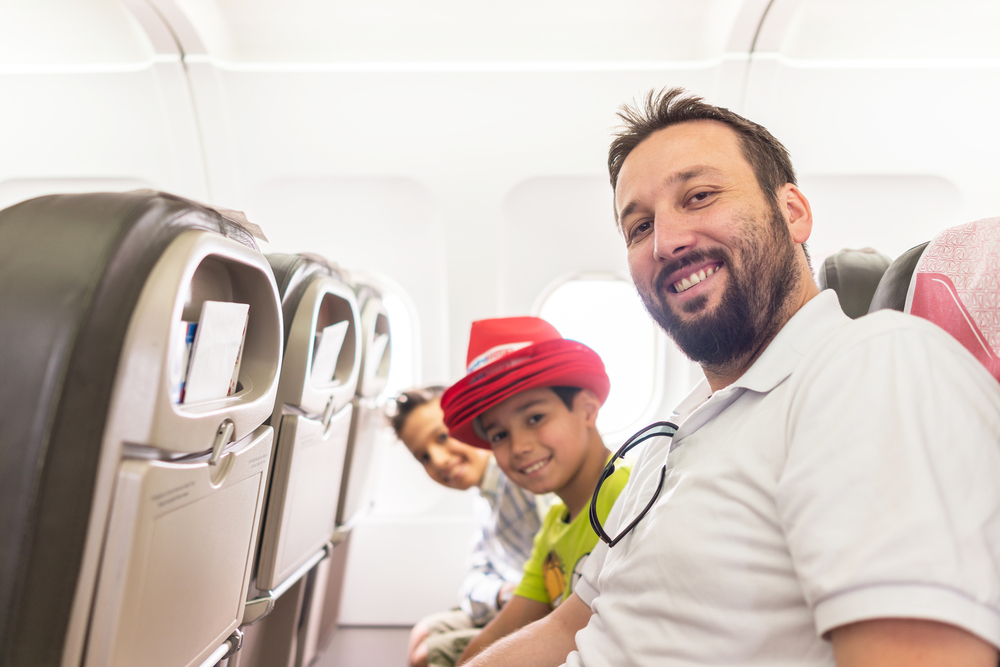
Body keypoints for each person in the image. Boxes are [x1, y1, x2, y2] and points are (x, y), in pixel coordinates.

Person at [463, 88, 1000, 666]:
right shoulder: (671, 434)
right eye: (639, 228)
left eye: (699, 196)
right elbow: (573, 624)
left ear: (792, 212)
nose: (666, 242)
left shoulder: (873, 368)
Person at [438, 316, 631, 665]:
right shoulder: (555, 524)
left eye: (534, 418)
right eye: (499, 435)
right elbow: (503, 630)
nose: (519, 447)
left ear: (587, 409)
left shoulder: (627, 496)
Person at [390, 386, 544, 667]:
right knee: (423, 631)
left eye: (442, 437)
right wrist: (501, 594)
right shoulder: (484, 498)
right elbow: (473, 581)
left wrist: (511, 594)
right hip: (508, 601)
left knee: (426, 656)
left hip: (538, 608)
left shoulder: (523, 480)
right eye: (423, 456)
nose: (438, 460)